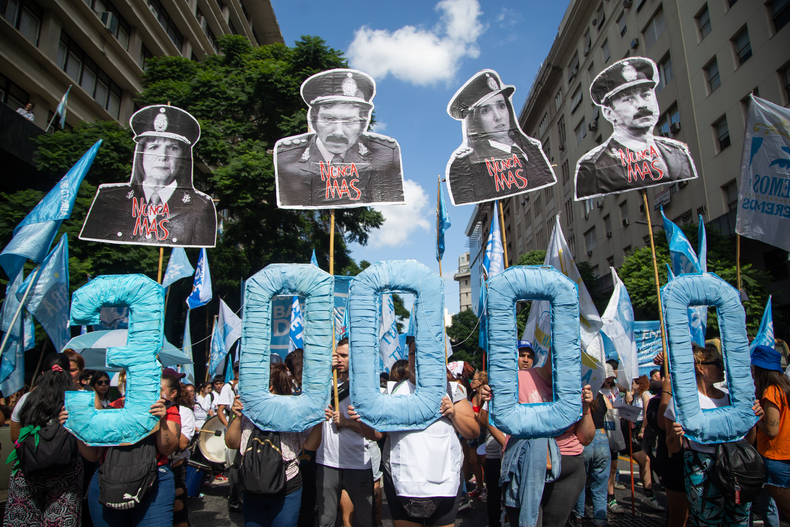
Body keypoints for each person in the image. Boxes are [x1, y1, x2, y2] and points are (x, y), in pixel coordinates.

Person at [354, 337, 479, 527]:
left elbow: (473, 432)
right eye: (413, 353)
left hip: (444, 485)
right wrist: (361, 419)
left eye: (423, 352)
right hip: (402, 485)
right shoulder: (393, 391)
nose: (417, 358)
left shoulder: (453, 390)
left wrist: (453, 414)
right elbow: (377, 435)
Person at [480, 347, 595, 527]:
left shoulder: (572, 387)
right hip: (526, 464)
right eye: (557, 356)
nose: (561, 363)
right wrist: (490, 398)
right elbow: (491, 418)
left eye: (569, 360)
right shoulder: (520, 379)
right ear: (550, 353)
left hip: (568, 467)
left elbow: (586, 438)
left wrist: (586, 407)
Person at [80, 104, 217, 246]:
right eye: (153, 147)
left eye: (173, 148)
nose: (162, 156)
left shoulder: (200, 207)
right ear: (141, 153)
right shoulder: (108, 198)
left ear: (183, 158)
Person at [274, 69, 404, 209]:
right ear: (314, 120)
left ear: (362, 124)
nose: (338, 132)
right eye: (329, 119)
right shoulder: (286, 157)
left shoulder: (385, 155)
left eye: (350, 121)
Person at [666, 343, 764, 526]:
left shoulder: (731, 398)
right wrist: (675, 433)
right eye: (717, 362)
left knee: (739, 521)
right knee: (707, 521)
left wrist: (752, 420)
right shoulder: (681, 402)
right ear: (700, 368)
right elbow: (672, 448)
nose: (722, 367)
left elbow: (747, 441)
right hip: (701, 469)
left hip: (735, 467)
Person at [575, 57, 697, 200]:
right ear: (609, 113)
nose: (641, 104)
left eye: (645, 95)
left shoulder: (678, 152)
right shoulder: (592, 167)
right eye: (628, 99)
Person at [75, 375, 182, 526]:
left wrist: (161, 420)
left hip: (154, 481)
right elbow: (94, 455)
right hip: (108, 482)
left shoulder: (166, 407)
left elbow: (168, 448)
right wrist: (76, 426)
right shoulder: (111, 408)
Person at [225, 363, 323, 527]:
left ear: (269, 387)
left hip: (287, 487)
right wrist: (237, 417)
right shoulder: (247, 411)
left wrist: (318, 422)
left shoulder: (294, 409)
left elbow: (310, 446)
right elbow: (232, 443)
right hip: (252, 485)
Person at [445, 69, 555, 206]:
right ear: (475, 121)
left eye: (501, 105)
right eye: (486, 110)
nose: (498, 117)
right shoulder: (464, 164)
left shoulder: (532, 148)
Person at [5, 354, 82, 526]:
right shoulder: (77, 401)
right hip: (66, 471)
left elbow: (15, 437)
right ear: (68, 373)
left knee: (23, 519)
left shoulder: (26, 399)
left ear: (42, 373)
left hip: (28, 470)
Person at [316, 337, 378, 527]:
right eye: (337, 355)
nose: (339, 359)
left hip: (357, 462)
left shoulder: (366, 389)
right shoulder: (324, 384)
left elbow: (376, 433)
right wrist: (326, 370)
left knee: (364, 518)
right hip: (326, 461)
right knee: (325, 520)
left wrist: (347, 423)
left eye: (344, 355)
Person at [751, 345, 790, 520]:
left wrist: (757, 418)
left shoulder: (771, 391)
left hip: (776, 458)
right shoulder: (785, 387)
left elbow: (772, 430)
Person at [572, 368, 614, 527]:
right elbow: (612, 414)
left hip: (583, 439)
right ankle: (600, 520)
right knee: (600, 486)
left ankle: (579, 517)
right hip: (602, 439)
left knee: (580, 483)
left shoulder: (580, 396)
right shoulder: (602, 396)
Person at [160, 369, 195, 527]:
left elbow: (181, 444)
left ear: (173, 393)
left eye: (161, 389)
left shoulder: (184, 412)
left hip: (175, 467)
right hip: (154, 468)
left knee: (178, 514)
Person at [627, 375, 663, 510]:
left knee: (646, 453)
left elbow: (647, 413)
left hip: (645, 426)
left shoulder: (645, 395)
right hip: (636, 425)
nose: (632, 385)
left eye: (634, 383)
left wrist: (642, 429)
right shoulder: (635, 396)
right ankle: (654, 478)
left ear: (639, 384)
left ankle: (658, 477)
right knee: (645, 454)